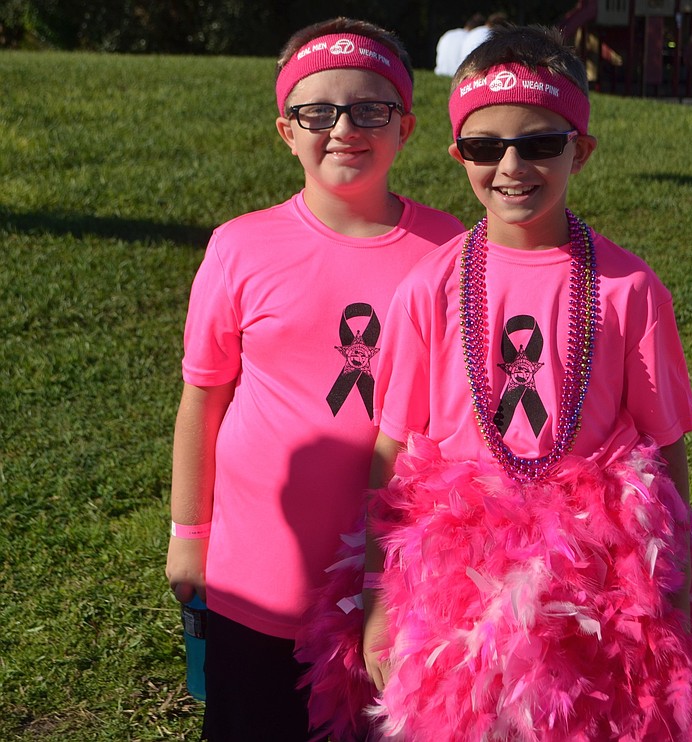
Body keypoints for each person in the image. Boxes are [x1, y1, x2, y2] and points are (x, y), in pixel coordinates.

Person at [298, 23, 692, 741]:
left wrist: (677, 594)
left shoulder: (629, 289)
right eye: (484, 147)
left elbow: (666, 451)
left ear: (579, 150)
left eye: (539, 144)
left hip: (594, 585)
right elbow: (392, 453)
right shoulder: (429, 288)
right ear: (457, 153)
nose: (511, 166)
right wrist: (377, 601)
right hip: (455, 584)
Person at [165, 16, 465, 741]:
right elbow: (203, 400)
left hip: (395, 579)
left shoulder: (451, 250)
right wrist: (189, 533)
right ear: (286, 131)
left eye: (370, 110)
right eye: (317, 112)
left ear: (405, 128)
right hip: (257, 578)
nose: (344, 129)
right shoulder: (240, 247)